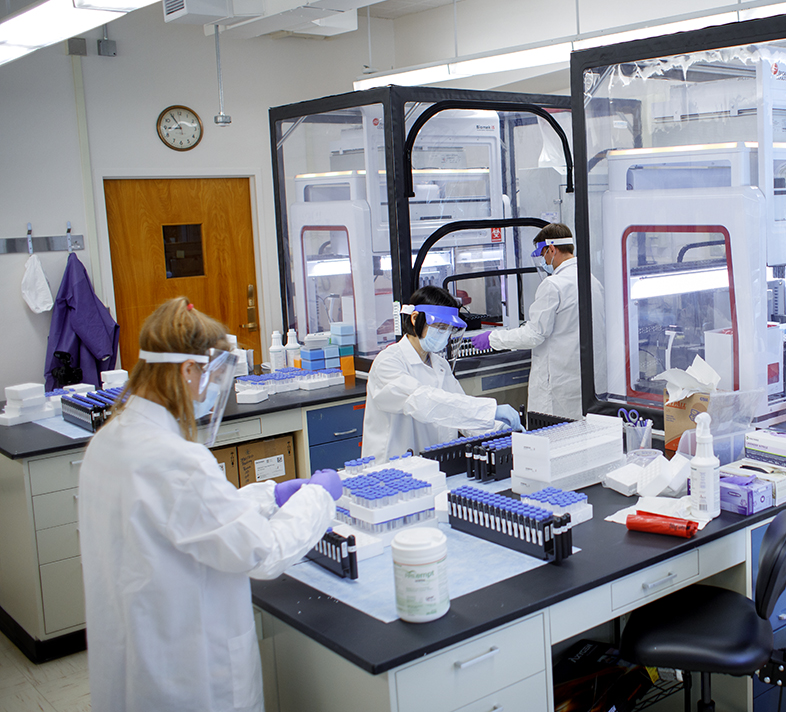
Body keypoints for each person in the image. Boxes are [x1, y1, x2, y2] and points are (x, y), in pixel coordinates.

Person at [78, 298, 343, 712]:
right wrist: (318, 496)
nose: (211, 390)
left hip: (135, 655)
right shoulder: (177, 460)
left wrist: (267, 496)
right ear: (188, 370)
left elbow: (185, 521)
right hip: (190, 675)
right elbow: (263, 553)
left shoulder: (110, 441)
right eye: (212, 375)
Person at [363, 285, 524, 462]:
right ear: (416, 319)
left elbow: (458, 412)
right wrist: (489, 410)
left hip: (434, 465)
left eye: (449, 328)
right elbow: (424, 401)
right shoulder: (388, 362)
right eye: (440, 326)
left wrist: (499, 430)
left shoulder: (440, 365)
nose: (445, 334)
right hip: (393, 471)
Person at [469, 223, 606, 418]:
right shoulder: (591, 279)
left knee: (552, 439)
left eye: (542, 254)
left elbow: (533, 335)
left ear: (552, 249)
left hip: (558, 387)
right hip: (586, 381)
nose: (543, 260)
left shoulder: (553, 285)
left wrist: (493, 338)